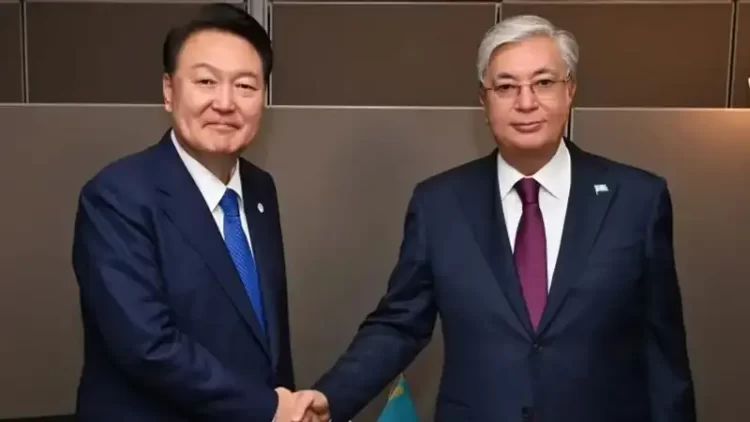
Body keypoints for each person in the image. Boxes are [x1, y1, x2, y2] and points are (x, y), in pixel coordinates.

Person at [292, 14, 696, 422]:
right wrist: (331, 396)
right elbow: (400, 324)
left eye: (543, 83)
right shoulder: (439, 204)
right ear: (484, 101)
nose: (526, 103)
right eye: (506, 87)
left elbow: (664, 353)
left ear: (570, 90)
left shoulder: (637, 200)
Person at [71, 4, 302, 421]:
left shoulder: (260, 189)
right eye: (206, 81)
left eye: (245, 86)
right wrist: (270, 408)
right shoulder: (116, 197)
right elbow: (148, 347)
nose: (225, 102)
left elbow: (264, 336)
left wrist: (286, 406)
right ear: (168, 91)